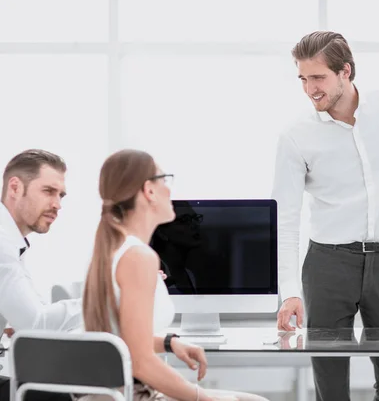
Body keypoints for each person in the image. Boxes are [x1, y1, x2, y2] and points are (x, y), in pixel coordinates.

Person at [272, 31, 379, 401]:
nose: (309, 89)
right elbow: (285, 218)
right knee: (330, 382)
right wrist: (289, 292)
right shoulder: (295, 136)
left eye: (317, 77)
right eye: (303, 79)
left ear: (345, 72)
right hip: (327, 265)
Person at [81, 149, 267, 401]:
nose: (170, 190)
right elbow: (141, 362)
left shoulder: (113, 251)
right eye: (165, 179)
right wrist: (203, 398)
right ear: (149, 190)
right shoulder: (138, 258)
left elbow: (122, 339)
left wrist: (169, 343)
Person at [0, 149, 82, 401]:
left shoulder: (14, 243)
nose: (57, 204)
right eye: (48, 191)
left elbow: (34, 313)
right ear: (15, 187)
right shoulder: (2, 244)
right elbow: (37, 323)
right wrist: (108, 298)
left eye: (61, 195)